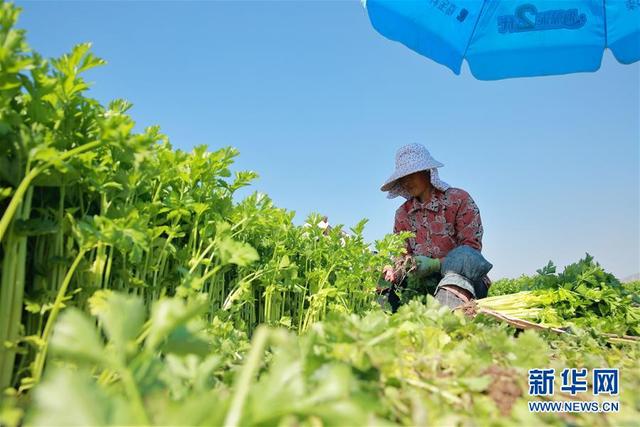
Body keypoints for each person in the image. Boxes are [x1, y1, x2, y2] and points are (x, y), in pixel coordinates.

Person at [379, 143, 492, 310]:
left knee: (455, 278)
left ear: (427, 172)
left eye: (411, 174)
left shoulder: (458, 200)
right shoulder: (403, 214)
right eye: (402, 178)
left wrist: (436, 265)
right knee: (381, 286)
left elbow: (471, 252)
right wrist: (394, 269)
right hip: (420, 285)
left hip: (463, 279)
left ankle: (447, 320)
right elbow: (401, 255)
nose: (407, 181)